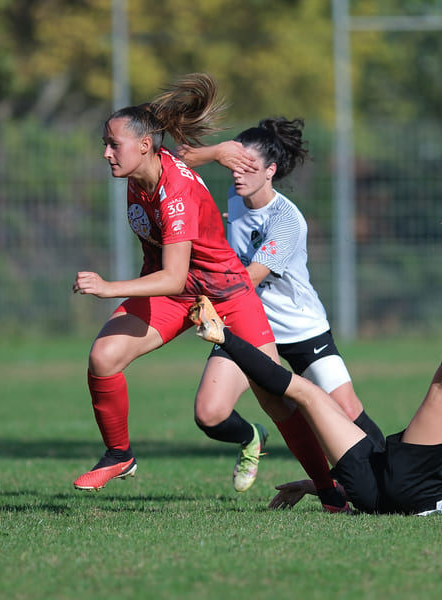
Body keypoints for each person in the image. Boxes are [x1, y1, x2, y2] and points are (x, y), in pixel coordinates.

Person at [72, 74, 339, 505]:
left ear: (143, 146)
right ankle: (118, 454)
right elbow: (183, 161)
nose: (105, 153)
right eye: (105, 142)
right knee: (104, 356)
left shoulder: (172, 192)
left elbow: (175, 276)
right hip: (175, 296)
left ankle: (330, 491)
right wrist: (217, 151)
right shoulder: (139, 175)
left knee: (276, 397)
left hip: (225, 295)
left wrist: (108, 289)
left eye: (112, 144)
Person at [189, 241, 442, 515]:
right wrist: (313, 485)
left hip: (416, 485)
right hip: (376, 494)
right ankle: (222, 336)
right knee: (310, 394)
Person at [177, 117, 384, 501]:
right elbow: (177, 162)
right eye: (233, 165)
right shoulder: (233, 198)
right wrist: (216, 152)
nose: (238, 174)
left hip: (301, 329)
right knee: (209, 413)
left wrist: (189, 282)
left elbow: (244, 282)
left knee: (346, 408)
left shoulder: (287, 220)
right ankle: (253, 438)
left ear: (271, 171)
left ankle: (390, 480)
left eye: (248, 167)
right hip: (248, 325)